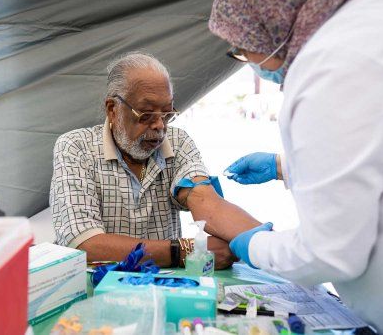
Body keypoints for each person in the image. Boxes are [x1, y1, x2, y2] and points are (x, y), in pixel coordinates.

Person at [207, 0, 383, 333]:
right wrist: (285, 166)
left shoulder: (334, 63)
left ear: (272, 26)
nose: (247, 59)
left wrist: (252, 244)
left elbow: (329, 252)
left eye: (242, 48)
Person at [50, 52, 263, 269]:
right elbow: (85, 245)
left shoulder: (178, 143)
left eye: (167, 113)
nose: (160, 126)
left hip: (163, 290)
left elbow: (205, 202)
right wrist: (182, 251)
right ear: (113, 110)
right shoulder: (76, 147)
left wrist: (268, 244)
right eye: (147, 114)